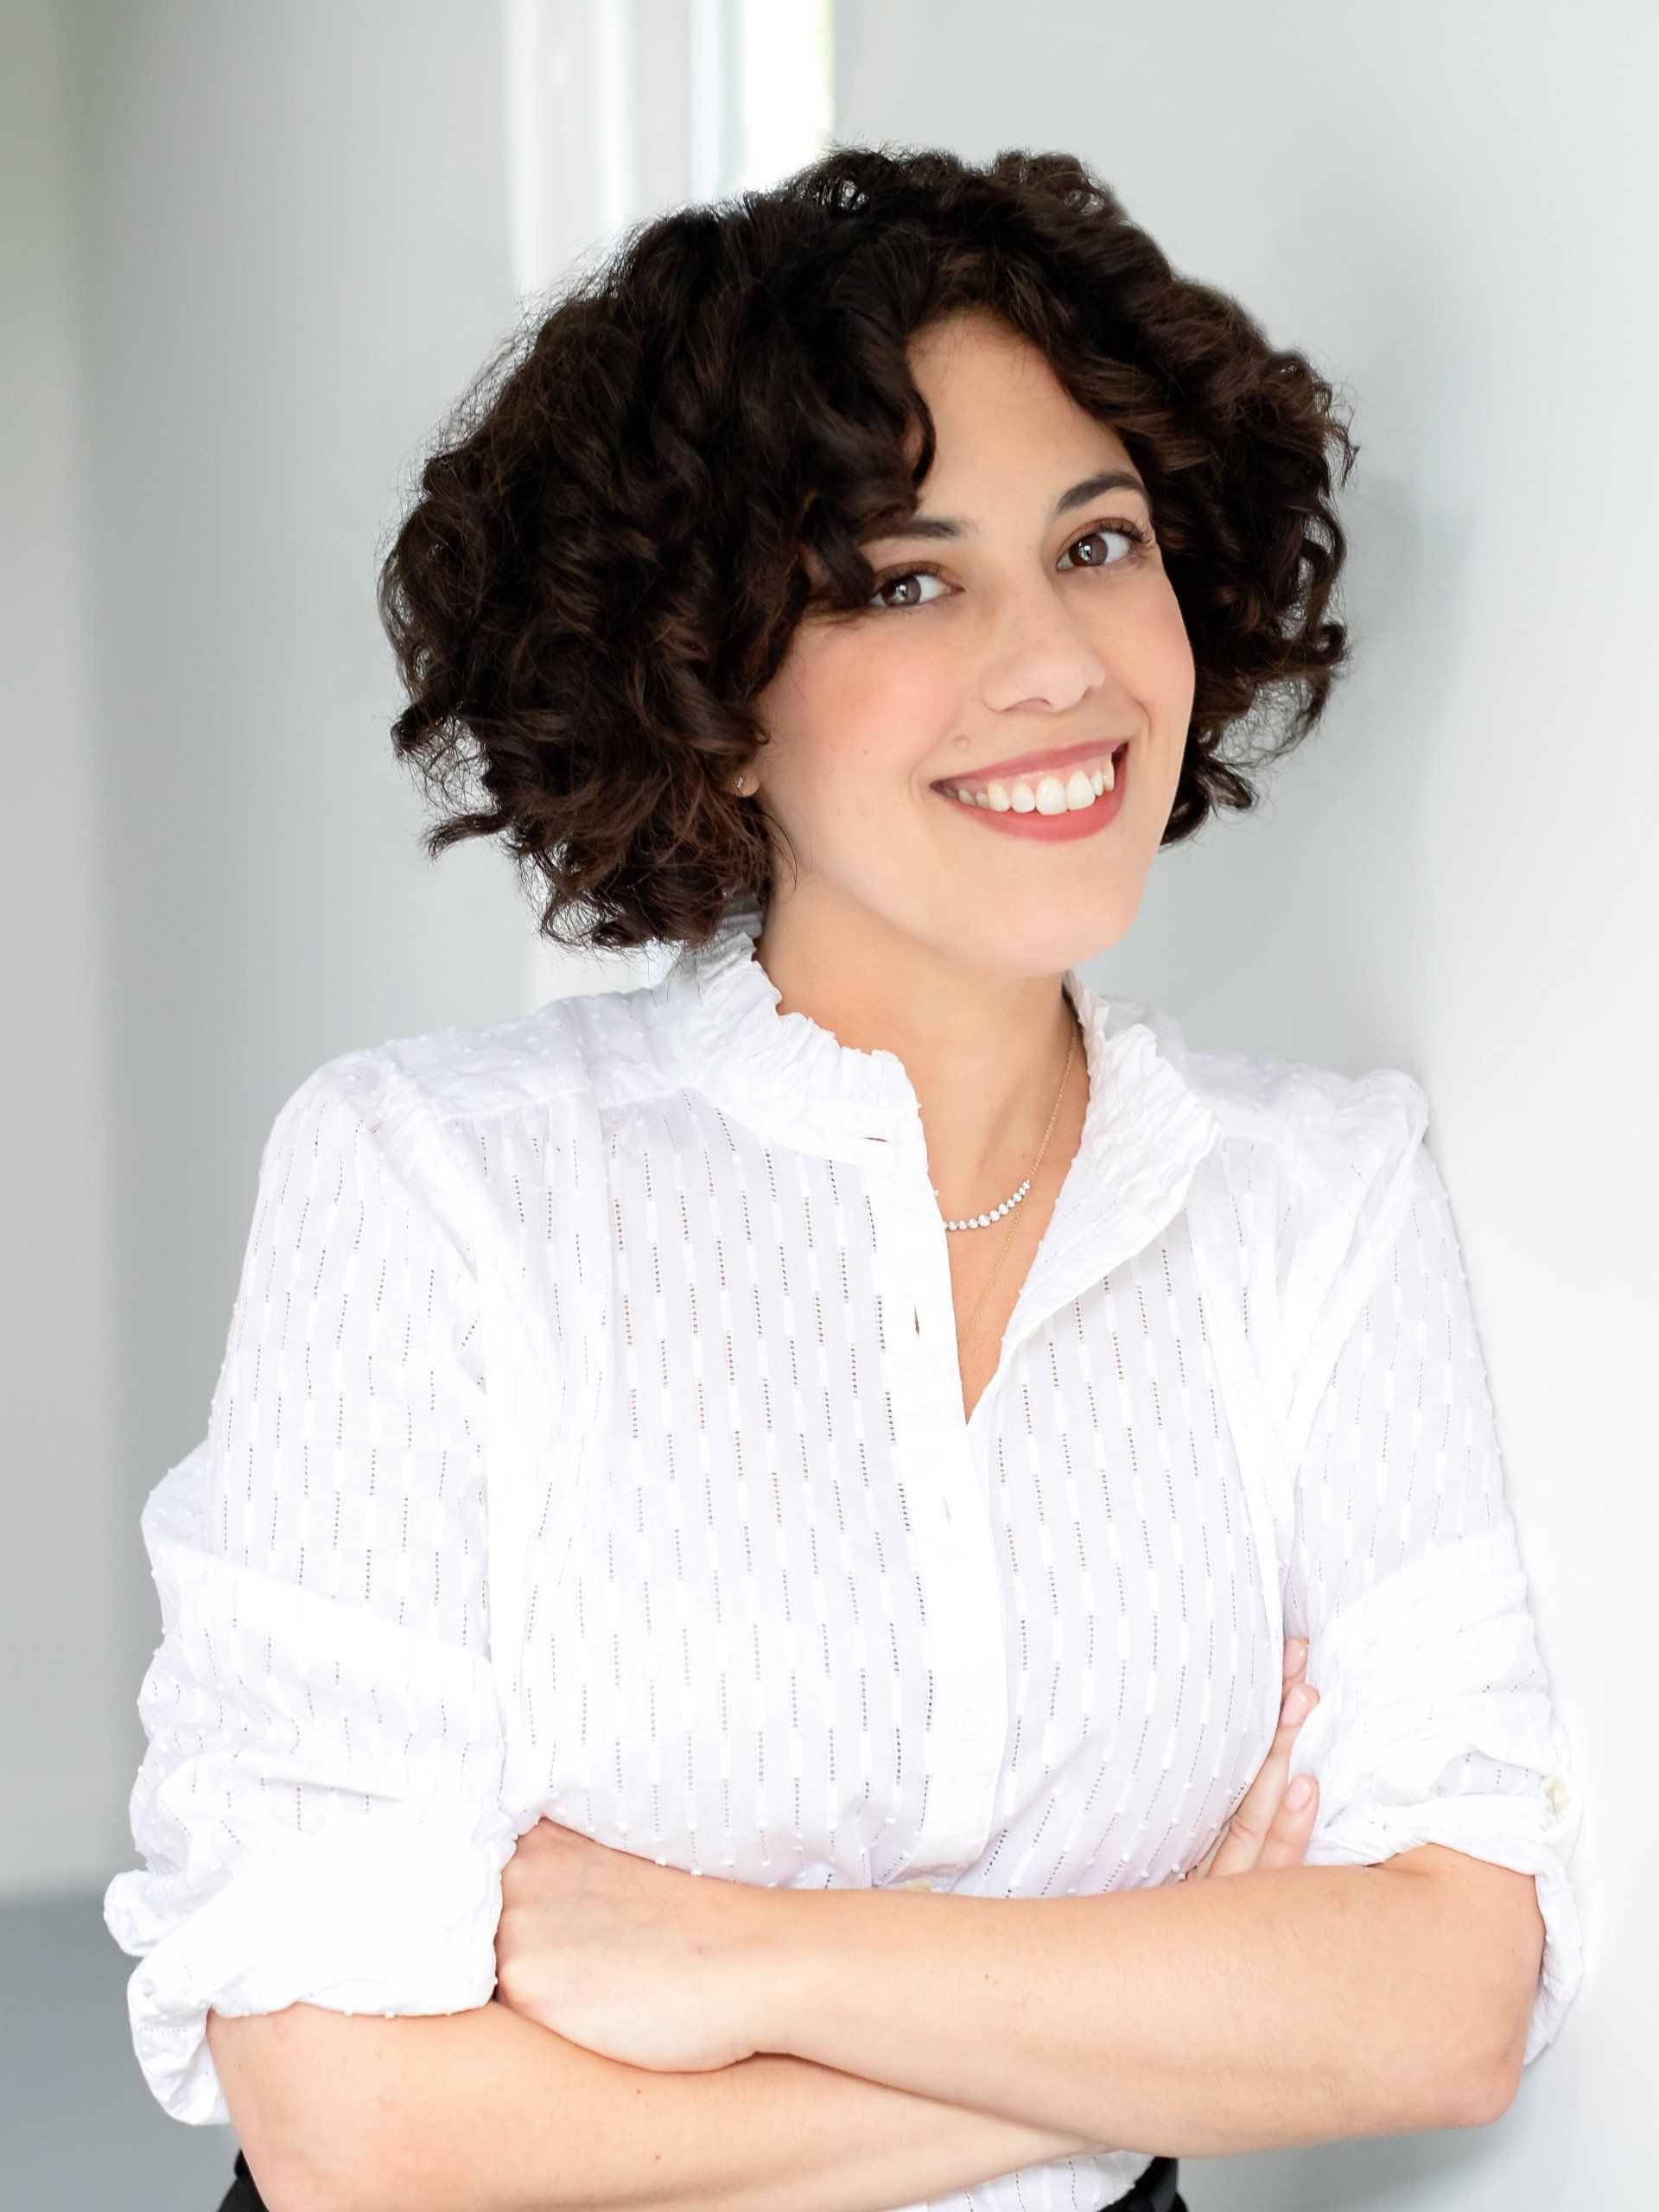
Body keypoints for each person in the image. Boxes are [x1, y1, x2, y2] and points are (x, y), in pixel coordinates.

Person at [104, 146, 1581, 2212]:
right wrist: (1155, 2041)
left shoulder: (1316, 1206)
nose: (1057, 660)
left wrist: (741, 1959)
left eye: (1100, 540)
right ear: (710, 697)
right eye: (905, 578)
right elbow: (357, 2131)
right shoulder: (443, 1186)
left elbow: (1445, 1996)